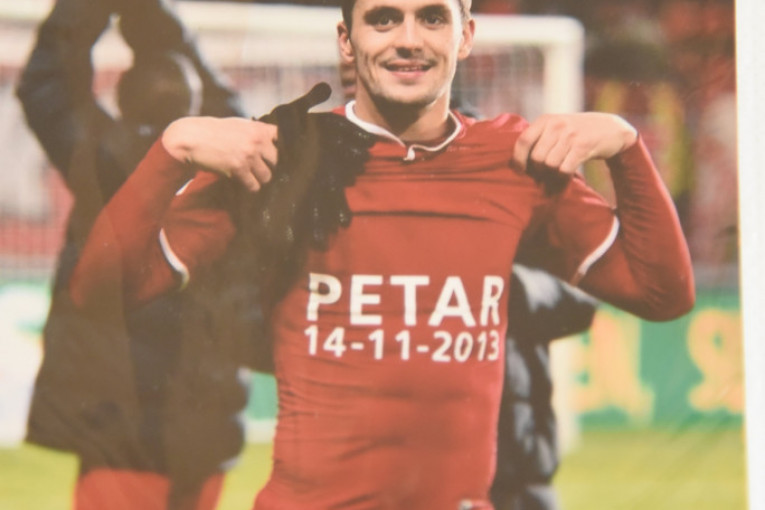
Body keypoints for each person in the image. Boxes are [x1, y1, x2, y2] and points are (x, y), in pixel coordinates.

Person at [68, 0, 695, 508]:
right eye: (384, 18)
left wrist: (626, 148)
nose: (408, 39)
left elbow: (661, 293)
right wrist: (171, 152)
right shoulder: (287, 158)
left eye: (432, 17)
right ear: (347, 41)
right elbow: (98, 294)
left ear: (466, 36)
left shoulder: (513, 161)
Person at [16, 0, 252, 508]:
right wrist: (166, 30)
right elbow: (233, 112)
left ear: (122, 98)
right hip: (206, 422)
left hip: (119, 424)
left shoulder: (101, 160)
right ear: (195, 102)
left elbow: (45, 86)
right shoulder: (229, 172)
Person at [491, 266, 598, 510]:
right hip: (462, 468)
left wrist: (515, 284)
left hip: (524, 465)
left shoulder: (528, 260)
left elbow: (582, 304)